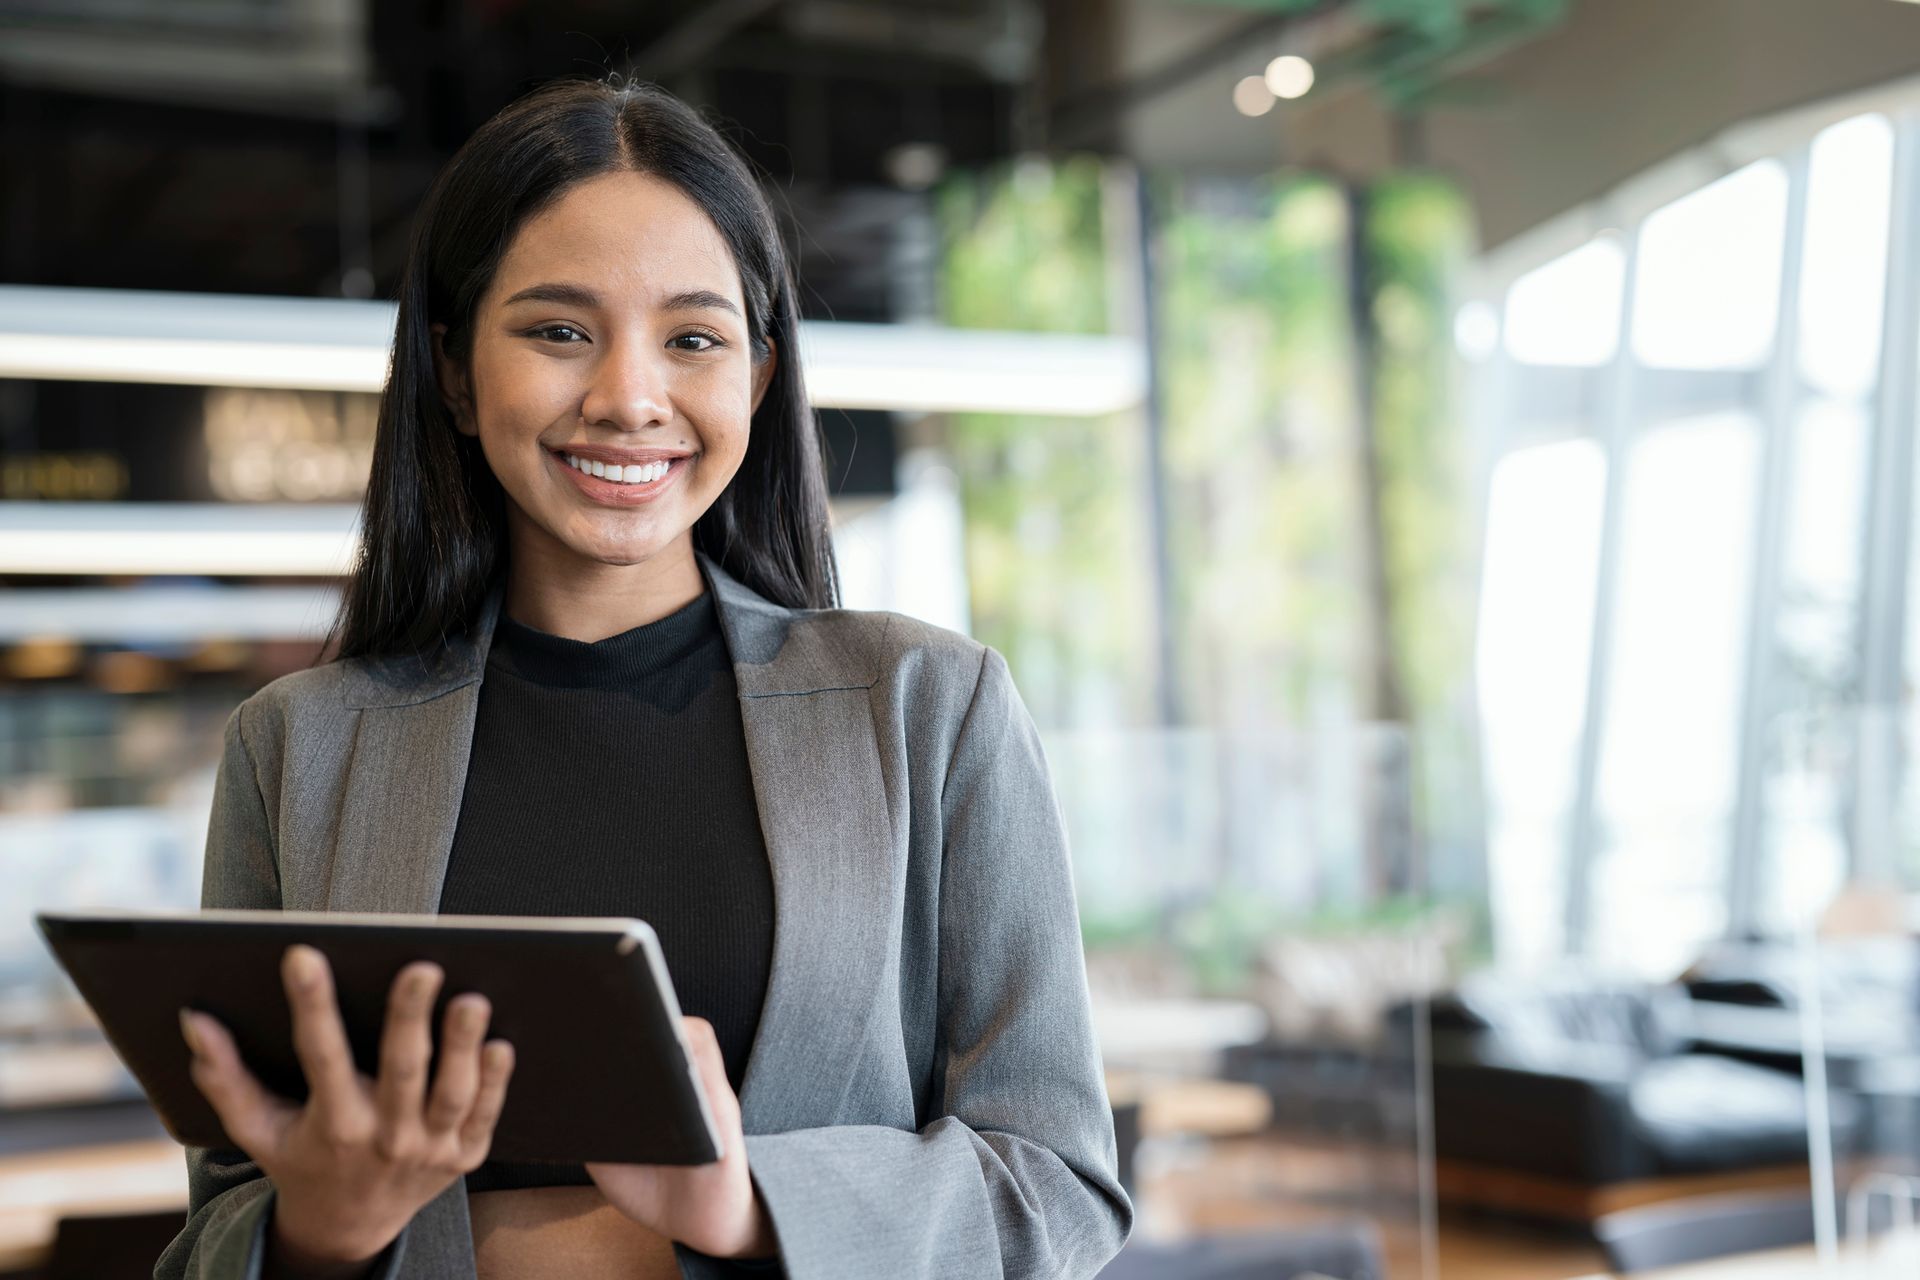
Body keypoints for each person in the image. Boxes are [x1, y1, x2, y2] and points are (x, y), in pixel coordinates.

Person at [153, 75, 1132, 1280]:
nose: (629, 396)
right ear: (456, 374)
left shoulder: (928, 708)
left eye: (694, 338)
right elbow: (212, 1235)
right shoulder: (298, 749)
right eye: (559, 329)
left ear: (758, 379)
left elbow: (1061, 1188)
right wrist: (322, 1230)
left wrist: (745, 1206)